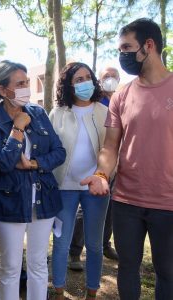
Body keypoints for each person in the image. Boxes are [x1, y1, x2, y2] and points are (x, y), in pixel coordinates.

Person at [81, 18, 173, 300]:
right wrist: (101, 174)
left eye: (126, 47)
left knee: (167, 273)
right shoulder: (122, 95)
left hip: (168, 203)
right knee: (127, 269)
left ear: (149, 45)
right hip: (126, 201)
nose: (122, 55)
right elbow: (110, 147)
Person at [0, 60, 66, 300]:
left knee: (39, 264)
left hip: (44, 200)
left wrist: (35, 163)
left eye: (27, 82)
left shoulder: (38, 113)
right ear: (2, 90)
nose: (26, 87)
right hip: (9, 202)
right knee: (10, 267)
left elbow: (59, 152)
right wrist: (17, 129)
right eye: (20, 83)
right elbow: (2, 164)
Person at [49, 62, 109, 300]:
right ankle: (59, 291)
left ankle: (92, 291)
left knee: (94, 244)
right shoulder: (58, 113)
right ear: (69, 85)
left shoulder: (104, 112)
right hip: (64, 188)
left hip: (96, 187)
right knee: (61, 243)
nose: (85, 83)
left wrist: (103, 178)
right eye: (78, 80)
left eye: (88, 77)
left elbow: (112, 149)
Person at [69, 67, 120, 271]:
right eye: (106, 76)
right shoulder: (96, 103)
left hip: (113, 166)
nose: (110, 80)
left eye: (113, 76)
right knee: (84, 212)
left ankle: (105, 244)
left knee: (108, 209)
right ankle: (75, 251)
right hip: (91, 170)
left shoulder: (118, 101)